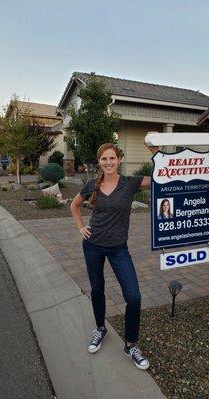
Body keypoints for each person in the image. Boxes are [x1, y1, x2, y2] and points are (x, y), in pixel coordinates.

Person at [70, 142, 157, 370]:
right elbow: (74, 205)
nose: (108, 162)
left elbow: (160, 176)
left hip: (119, 248)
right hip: (93, 246)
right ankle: (100, 328)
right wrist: (81, 226)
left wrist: (155, 151)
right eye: (103, 159)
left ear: (119, 159)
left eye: (112, 158)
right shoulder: (92, 185)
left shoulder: (129, 183)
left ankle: (130, 344)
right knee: (97, 289)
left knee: (134, 296)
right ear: (99, 162)